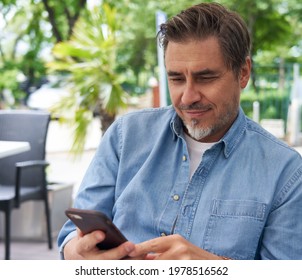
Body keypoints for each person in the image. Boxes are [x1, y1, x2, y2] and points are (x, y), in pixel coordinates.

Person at [58, 2, 302, 260]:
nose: (188, 96)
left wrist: (210, 267)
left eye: (205, 78)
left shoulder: (285, 172)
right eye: (176, 79)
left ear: (243, 73)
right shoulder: (124, 137)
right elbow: (70, 239)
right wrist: (78, 253)